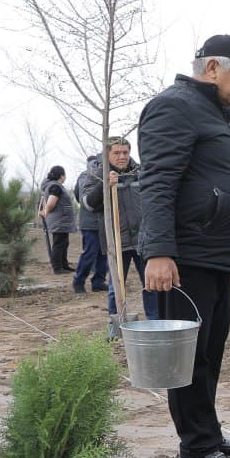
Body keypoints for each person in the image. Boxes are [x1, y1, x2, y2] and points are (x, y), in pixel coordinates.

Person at [139, 34, 230, 458]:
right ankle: (195, 448)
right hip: (185, 254)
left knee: (210, 350)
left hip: (213, 253)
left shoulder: (221, 112)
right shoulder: (173, 106)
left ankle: (208, 433)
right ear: (212, 67)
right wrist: (158, 251)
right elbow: (156, 182)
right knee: (188, 355)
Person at [82, 137, 160, 324]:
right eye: (116, 153)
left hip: (143, 240)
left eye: (125, 152)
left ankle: (155, 321)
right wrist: (105, 185)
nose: (122, 156)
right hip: (116, 241)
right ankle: (117, 324)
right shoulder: (96, 175)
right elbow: (88, 204)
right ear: (107, 154)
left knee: (151, 285)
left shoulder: (141, 172)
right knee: (116, 287)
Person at [72, 162, 109, 294]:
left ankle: (98, 281)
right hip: (90, 222)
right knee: (90, 252)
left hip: (105, 222)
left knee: (104, 252)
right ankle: (78, 281)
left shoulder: (108, 172)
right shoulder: (86, 176)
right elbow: (82, 197)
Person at [38, 166, 75, 273]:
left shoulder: (55, 186)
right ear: (61, 176)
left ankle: (64, 265)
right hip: (59, 220)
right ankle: (57, 268)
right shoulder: (56, 187)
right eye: (65, 175)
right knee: (59, 244)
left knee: (64, 243)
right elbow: (51, 203)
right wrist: (46, 212)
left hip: (61, 220)